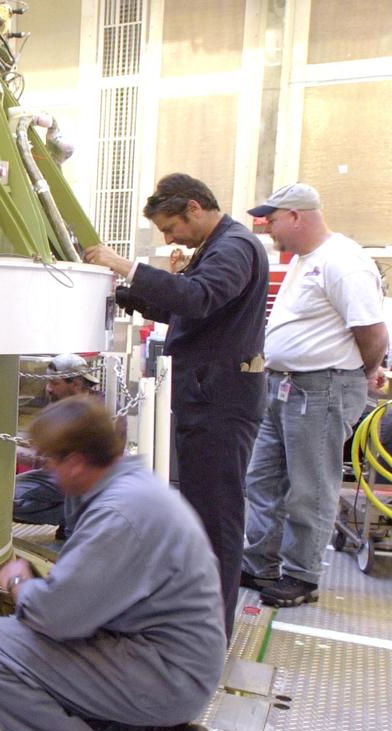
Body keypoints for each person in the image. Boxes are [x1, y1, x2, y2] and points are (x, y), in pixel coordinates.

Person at [0, 397, 225, 731]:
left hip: (167, 674)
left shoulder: (121, 516)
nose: (50, 473)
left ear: (78, 462)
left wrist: (17, 581)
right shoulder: (135, 487)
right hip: (175, 662)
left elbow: (55, 617)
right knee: (53, 663)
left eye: (52, 463)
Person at [85, 173, 269, 638]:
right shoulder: (217, 248)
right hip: (206, 396)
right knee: (204, 511)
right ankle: (200, 620)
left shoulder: (234, 248)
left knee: (218, 518)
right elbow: (179, 308)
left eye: (171, 228)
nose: (170, 239)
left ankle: (211, 634)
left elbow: (199, 297)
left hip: (221, 403)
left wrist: (127, 267)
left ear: (193, 207)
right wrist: (122, 293)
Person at [240, 184, 388, 606]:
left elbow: (373, 332)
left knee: (311, 487)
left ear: (297, 216)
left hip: (321, 388)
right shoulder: (307, 261)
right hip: (284, 385)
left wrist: (364, 372)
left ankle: (301, 576)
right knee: (263, 477)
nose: (267, 228)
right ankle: (260, 564)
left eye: (271, 219)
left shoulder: (343, 263)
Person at [13, 354, 100, 534]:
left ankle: (77, 523)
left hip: (88, 481)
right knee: (3, 498)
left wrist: (6, 449)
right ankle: (69, 517)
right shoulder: (61, 406)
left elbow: (52, 461)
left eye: (54, 382)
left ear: (75, 384)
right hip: (60, 478)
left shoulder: (97, 410)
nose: (48, 388)